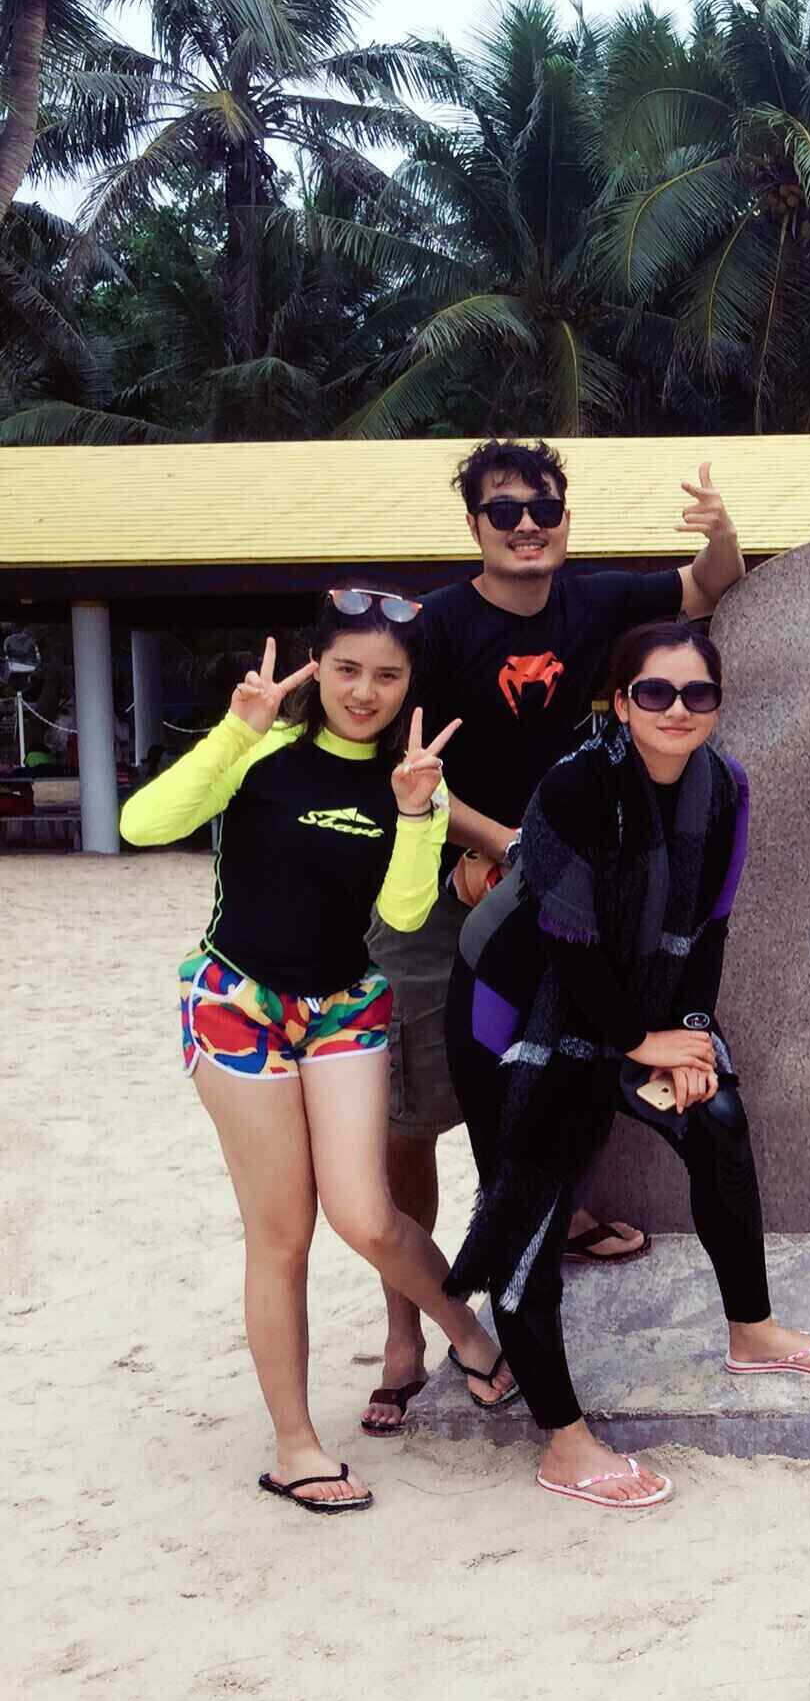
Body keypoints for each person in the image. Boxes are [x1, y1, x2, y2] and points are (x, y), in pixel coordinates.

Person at [367, 438, 747, 1435]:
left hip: (561, 881)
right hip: (455, 882)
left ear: (565, 521)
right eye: (505, 512)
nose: (526, 526)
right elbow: (407, 760)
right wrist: (497, 844)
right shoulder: (438, 629)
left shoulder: (599, 602)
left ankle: (557, 1215)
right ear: (475, 527)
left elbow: (711, 585)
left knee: (565, 1049)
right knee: (417, 1115)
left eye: (543, 509)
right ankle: (408, 1327)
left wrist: (721, 532)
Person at [444, 622, 810, 1510]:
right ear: (620, 702)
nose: (678, 710)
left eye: (698, 693)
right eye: (655, 693)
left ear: (718, 704)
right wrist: (642, 1042)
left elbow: (710, 926)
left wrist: (693, 1034)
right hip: (516, 1007)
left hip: (638, 1002)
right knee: (529, 1206)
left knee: (717, 1121)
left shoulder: (725, 788)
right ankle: (564, 1442)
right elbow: (566, 943)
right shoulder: (576, 788)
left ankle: (753, 1332)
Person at [119, 591, 520, 1515]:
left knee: (367, 1215)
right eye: (347, 669)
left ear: (411, 683)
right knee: (282, 1233)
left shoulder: (416, 782)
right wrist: (235, 730)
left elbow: (405, 915)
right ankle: (295, 1446)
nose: (364, 691)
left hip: (344, 1004)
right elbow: (143, 825)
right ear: (317, 666)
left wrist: (415, 814)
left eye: (387, 675)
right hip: (237, 1003)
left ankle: (465, 1330)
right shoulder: (260, 749)